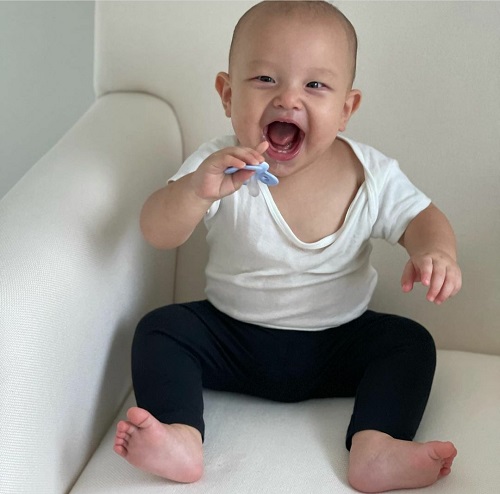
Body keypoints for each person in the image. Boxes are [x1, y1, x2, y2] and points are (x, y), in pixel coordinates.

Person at [113, 1, 462, 492]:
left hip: (338, 342)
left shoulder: (372, 175)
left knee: (410, 343)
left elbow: (421, 217)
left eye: (315, 85)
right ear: (227, 94)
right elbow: (158, 231)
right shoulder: (218, 166)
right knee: (160, 330)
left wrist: (435, 253)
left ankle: (376, 446)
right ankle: (181, 437)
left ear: (346, 109)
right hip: (231, 338)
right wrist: (194, 191)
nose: (288, 99)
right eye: (265, 79)